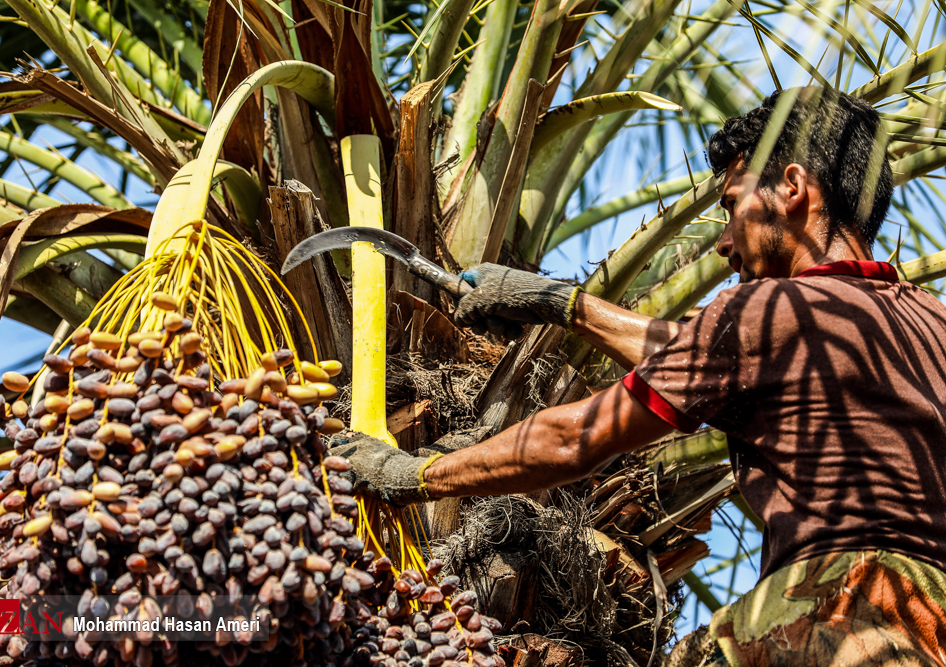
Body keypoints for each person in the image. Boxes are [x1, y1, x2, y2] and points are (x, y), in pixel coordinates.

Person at [332, 87, 946, 666]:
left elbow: (577, 438)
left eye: (732, 208)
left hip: (836, 615)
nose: (724, 244)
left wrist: (414, 475)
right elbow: (698, 354)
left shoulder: (764, 312)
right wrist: (560, 304)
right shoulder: (926, 320)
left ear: (791, 189)